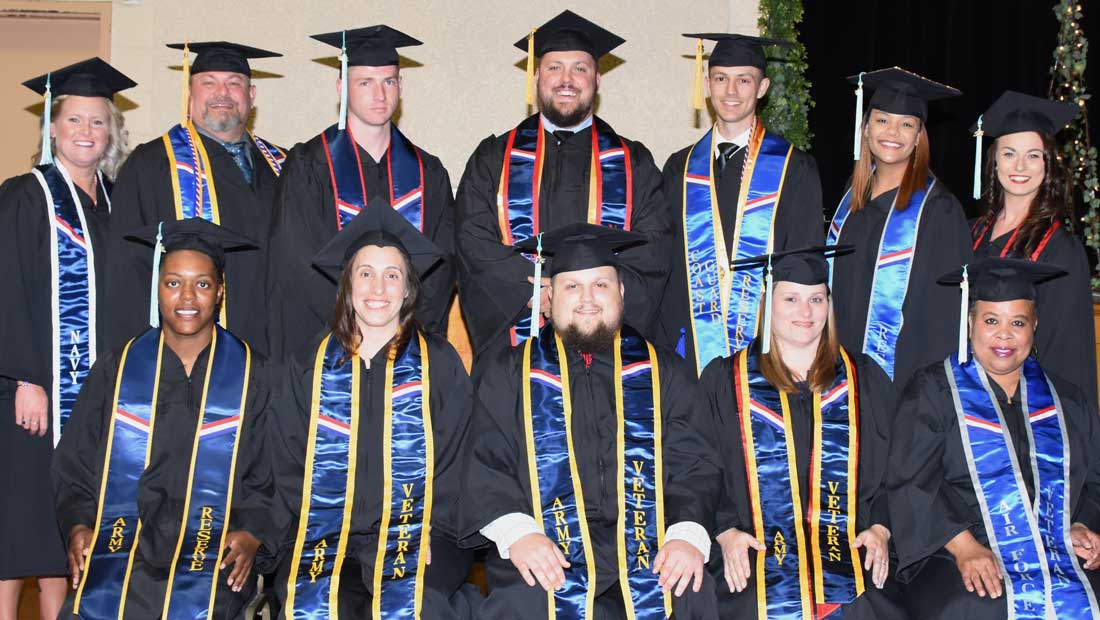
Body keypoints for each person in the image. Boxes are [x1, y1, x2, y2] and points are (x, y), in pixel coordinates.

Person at [461, 224, 722, 619]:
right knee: (524, 602)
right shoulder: (506, 373)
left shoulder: (664, 370)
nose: (587, 299)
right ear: (547, 299)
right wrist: (520, 533)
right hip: (546, 547)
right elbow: (485, 464)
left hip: (651, 546)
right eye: (571, 287)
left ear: (621, 293)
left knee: (688, 593)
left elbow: (695, 464)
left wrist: (685, 534)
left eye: (600, 285)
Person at [53, 218, 275, 619]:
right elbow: (75, 465)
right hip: (125, 547)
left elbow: (277, 473)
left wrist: (254, 533)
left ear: (221, 290)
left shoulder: (255, 375)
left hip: (215, 553)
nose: (187, 297)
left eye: (202, 284)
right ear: (157, 288)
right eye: (173, 282)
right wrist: (78, 525)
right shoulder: (117, 370)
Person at [266, 202, 477, 618]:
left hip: (423, 531)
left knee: (418, 603)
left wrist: (432, 524)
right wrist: (317, 522)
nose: (378, 289)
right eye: (365, 274)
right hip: (325, 533)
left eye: (391, 275)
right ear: (346, 285)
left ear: (408, 289)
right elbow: (285, 459)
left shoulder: (440, 362)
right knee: (310, 602)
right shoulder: (307, 364)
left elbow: (461, 457)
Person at [699, 246, 906, 618]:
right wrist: (725, 530)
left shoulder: (864, 379)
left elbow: (901, 467)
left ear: (830, 305)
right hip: (755, 548)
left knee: (869, 606)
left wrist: (881, 526)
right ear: (768, 303)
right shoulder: (724, 381)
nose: (805, 312)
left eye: (816, 298)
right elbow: (700, 465)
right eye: (790, 298)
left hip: (849, 546)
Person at [889, 257, 1100, 619]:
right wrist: (963, 546)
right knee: (973, 607)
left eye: (1017, 322)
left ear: (1034, 326)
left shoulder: (1065, 400)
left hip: (1055, 545)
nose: (1004, 335)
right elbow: (910, 481)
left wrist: (1083, 523)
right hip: (954, 547)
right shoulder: (933, 391)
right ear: (969, 323)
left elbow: (1093, 478)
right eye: (991, 321)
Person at [0, 58, 135, 620]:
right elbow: (8, 287)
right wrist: (26, 377)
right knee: (16, 530)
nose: (86, 132)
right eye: (74, 120)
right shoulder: (23, 195)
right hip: (33, 393)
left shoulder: (115, 202)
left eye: (97, 122)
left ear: (111, 132)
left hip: (91, 396)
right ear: (52, 128)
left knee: (66, 528)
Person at [456, 10, 671, 359]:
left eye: (580, 69)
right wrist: (537, 291)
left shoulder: (633, 164)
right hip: (516, 348)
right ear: (537, 76)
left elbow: (654, 248)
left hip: (604, 342)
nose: (566, 79)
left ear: (598, 79)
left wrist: (589, 296)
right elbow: (473, 240)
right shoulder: (493, 159)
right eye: (555, 67)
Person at [267, 25, 456, 361]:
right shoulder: (309, 166)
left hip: (407, 349)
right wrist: (354, 330)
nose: (379, 95)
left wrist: (404, 331)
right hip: (328, 346)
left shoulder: (428, 173)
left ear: (401, 85)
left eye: (388, 81)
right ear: (342, 88)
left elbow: (442, 266)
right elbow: (296, 263)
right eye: (365, 82)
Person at [660, 33, 824, 376]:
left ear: (762, 87)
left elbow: (802, 263)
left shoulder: (794, 168)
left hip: (767, 348)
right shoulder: (680, 168)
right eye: (721, 79)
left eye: (743, 80)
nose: (730, 91)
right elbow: (668, 262)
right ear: (707, 84)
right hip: (690, 347)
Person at [108, 41, 284, 355]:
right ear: (191, 94)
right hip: (184, 356)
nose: (222, 94)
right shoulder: (151, 165)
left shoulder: (283, 167)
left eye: (234, 84)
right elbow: (127, 272)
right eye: (208, 83)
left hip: (274, 352)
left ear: (251, 95)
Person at [828, 67, 973, 387]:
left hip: (903, 387)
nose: (892, 132)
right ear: (864, 128)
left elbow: (945, 320)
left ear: (920, 137)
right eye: (882, 120)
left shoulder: (939, 212)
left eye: (906, 124)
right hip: (840, 382)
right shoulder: (851, 201)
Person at [968, 90, 1096, 411]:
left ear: (1047, 164)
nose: (1020, 166)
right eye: (1009, 153)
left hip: (1026, 408)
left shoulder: (1060, 250)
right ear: (994, 159)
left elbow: (1068, 353)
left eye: (1033, 155)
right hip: (967, 396)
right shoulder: (971, 232)